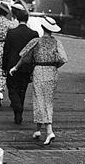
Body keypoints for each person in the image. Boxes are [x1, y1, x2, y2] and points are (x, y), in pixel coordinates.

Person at [12, 16, 66, 146]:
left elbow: (24, 56)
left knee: (39, 100)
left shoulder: (36, 41)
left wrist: (15, 67)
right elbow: (63, 59)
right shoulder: (57, 42)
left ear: (42, 28)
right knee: (47, 100)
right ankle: (37, 130)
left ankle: (49, 130)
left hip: (38, 71)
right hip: (52, 72)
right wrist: (54, 66)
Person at [2, 6, 36, 125]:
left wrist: (4, 66)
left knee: (12, 88)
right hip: (26, 66)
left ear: (17, 18)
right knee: (23, 89)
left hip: (12, 65)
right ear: (27, 19)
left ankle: (17, 107)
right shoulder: (33, 34)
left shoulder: (11, 33)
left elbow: (6, 51)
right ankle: (18, 114)